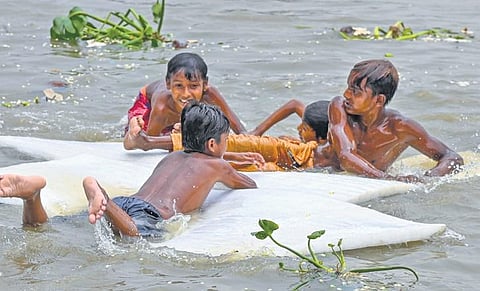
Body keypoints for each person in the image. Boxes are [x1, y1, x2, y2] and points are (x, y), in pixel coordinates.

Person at [85, 102, 257, 237]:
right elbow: (247, 184)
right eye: (226, 140)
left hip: (126, 202)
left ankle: (108, 204)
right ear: (212, 144)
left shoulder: (172, 157)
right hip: (152, 213)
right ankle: (105, 199)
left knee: (108, 224)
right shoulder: (217, 166)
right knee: (135, 234)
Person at [326, 59, 464, 181]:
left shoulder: (400, 128)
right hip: (325, 174)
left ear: (379, 100)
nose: (346, 94)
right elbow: (346, 157)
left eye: (355, 91)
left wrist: (427, 178)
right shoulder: (339, 107)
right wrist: (387, 179)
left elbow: (452, 158)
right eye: (348, 87)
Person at [124, 100, 335, 172]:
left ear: (322, 139)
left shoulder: (321, 149)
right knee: (234, 142)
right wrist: (257, 132)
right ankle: (148, 142)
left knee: (254, 163)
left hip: (292, 160)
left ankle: (156, 142)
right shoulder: (319, 129)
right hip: (284, 150)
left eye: (305, 127)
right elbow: (295, 104)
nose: (300, 128)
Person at [124, 52, 246, 150]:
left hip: (178, 112)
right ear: (168, 83)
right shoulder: (162, 107)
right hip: (148, 102)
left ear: (205, 85)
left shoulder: (210, 96)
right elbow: (150, 141)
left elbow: (240, 131)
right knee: (138, 130)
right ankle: (130, 125)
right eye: (179, 86)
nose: (186, 94)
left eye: (193, 86)